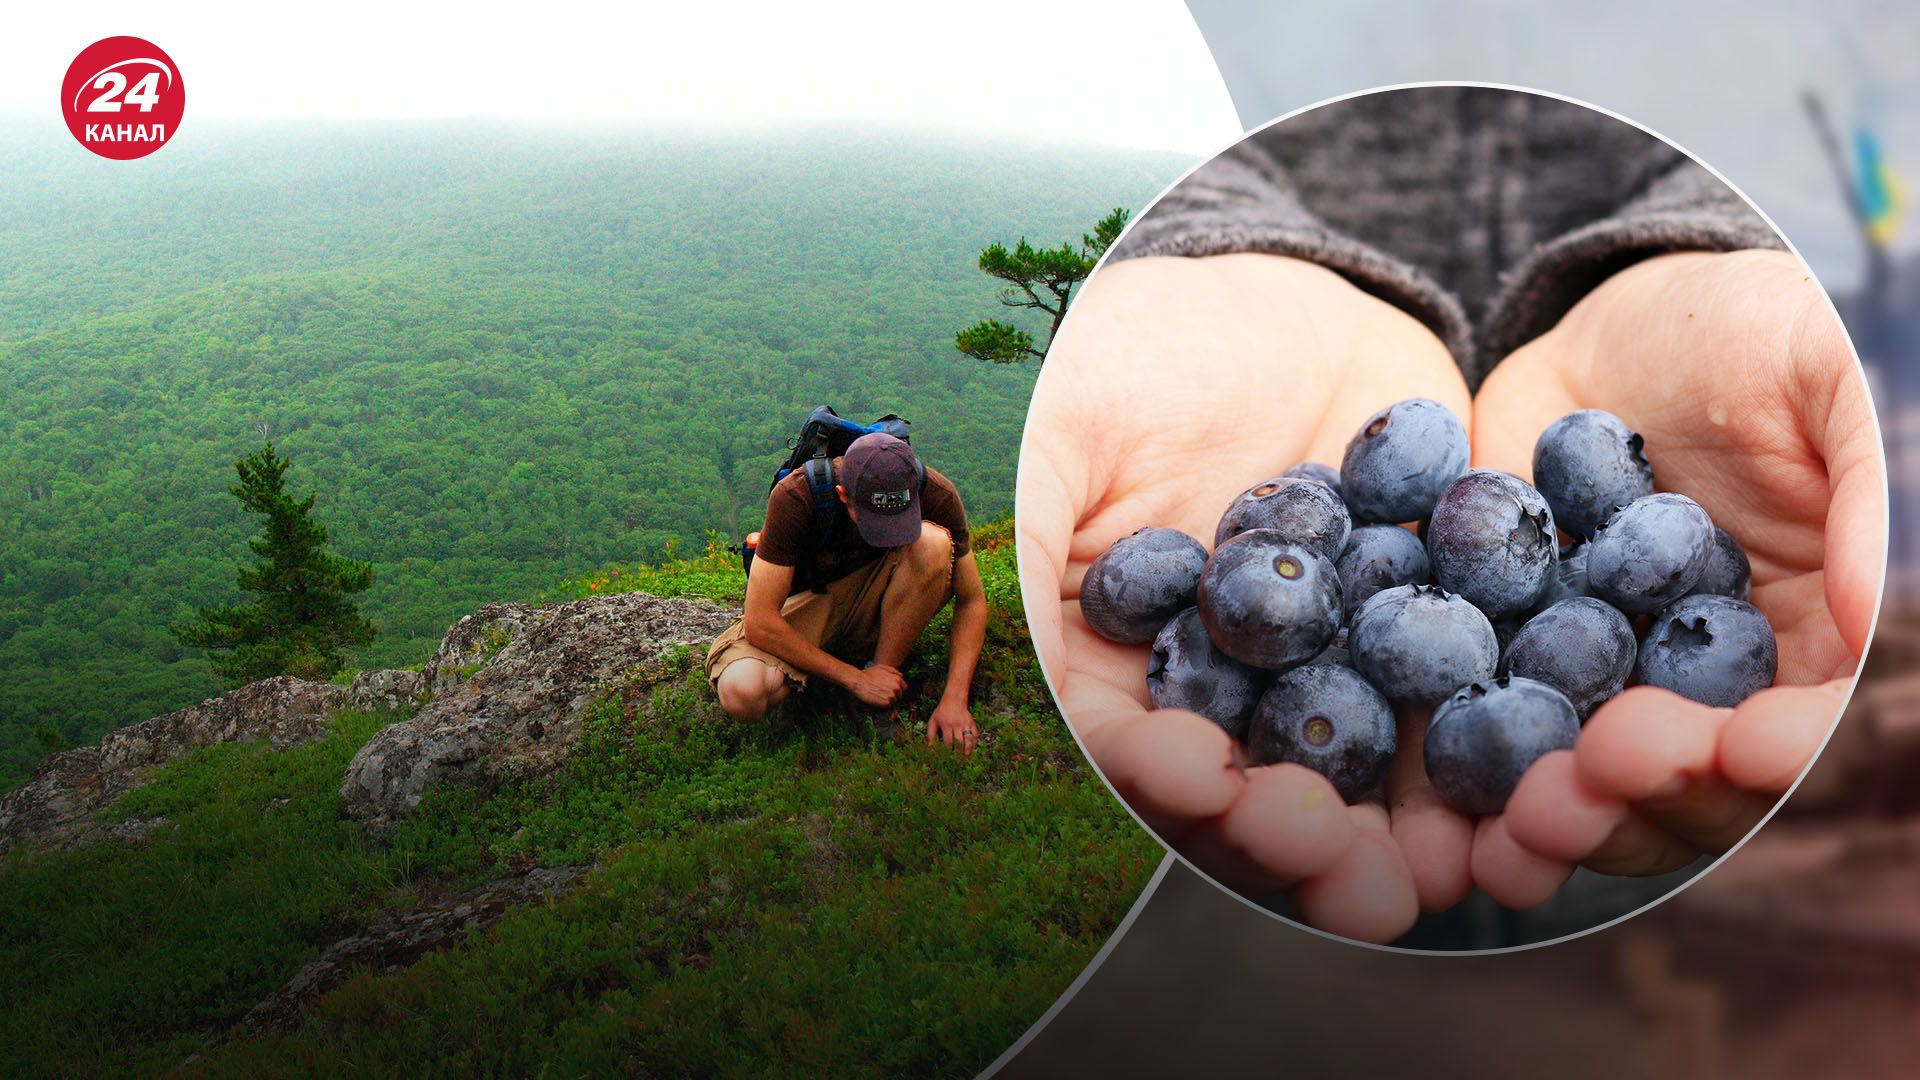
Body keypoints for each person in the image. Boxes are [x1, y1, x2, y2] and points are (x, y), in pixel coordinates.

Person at [1017, 86, 1885, 944]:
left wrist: (1736, 251)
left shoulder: (1610, 579)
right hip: (1259, 878)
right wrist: (1196, 252)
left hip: (1641, 853)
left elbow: (1822, 111)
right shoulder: (1336, 548)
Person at [707, 432, 987, 752]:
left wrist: (955, 699)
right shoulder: (797, 496)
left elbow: (972, 600)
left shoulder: (935, 493)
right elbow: (760, 621)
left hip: (882, 600)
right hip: (815, 603)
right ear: (843, 495)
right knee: (743, 692)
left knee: (933, 543)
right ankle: (834, 685)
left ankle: (880, 679)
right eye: (874, 521)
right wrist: (854, 679)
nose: (887, 534)